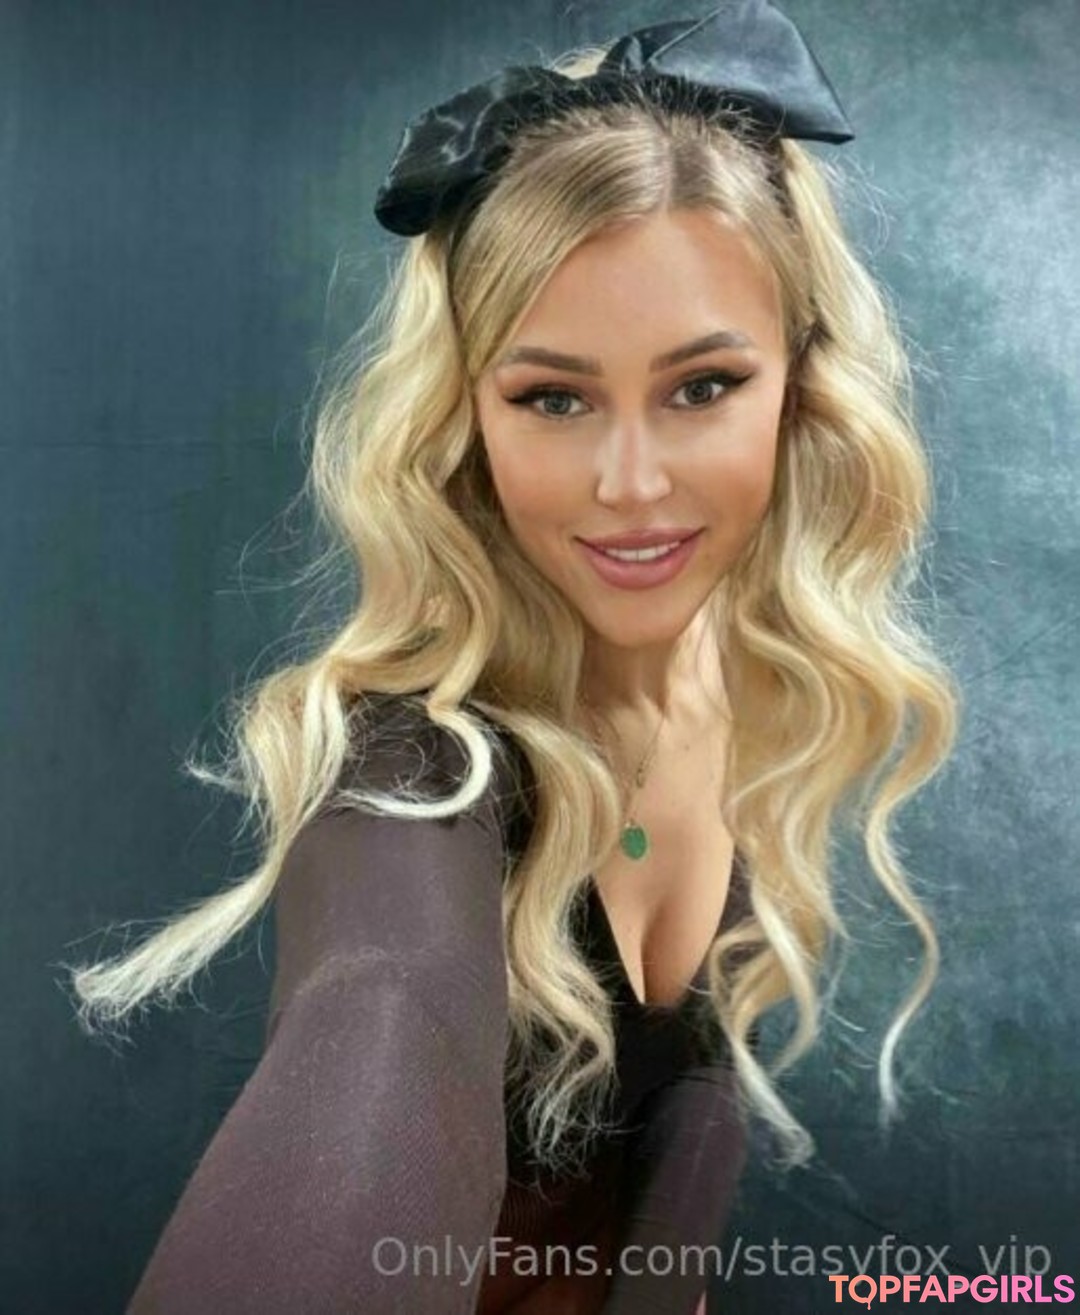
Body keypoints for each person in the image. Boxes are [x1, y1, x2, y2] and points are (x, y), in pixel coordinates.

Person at [63, 3, 960, 1311]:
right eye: (553, 398)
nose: (631, 485)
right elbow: (388, 1007)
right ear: (469, 417)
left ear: (801, 387)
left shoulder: (751, 692)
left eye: (703, 386)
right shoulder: (410, 796)